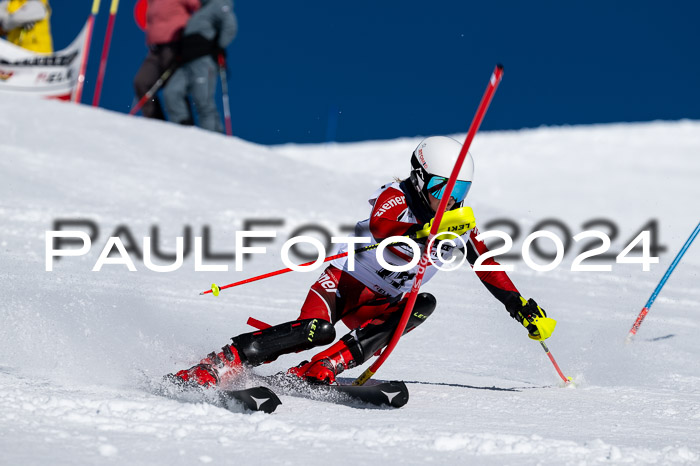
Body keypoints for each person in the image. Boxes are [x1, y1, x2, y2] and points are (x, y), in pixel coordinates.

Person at [171, 136, 556, 387]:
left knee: (422, 305)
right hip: (342, 285)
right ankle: (222, 361)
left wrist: (517, 306)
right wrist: (421, 233)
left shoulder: (457, 223)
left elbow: (487, 265)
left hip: (382, 303)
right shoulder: (398, 195)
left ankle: (323, 367)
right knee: (316, 329)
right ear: (421, 179)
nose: (449, 200)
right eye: (443, 188)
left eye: (460, 191)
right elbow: (381, 224)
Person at [162, 0, 237, 132]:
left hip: (203, 61)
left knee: (203, 100)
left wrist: (218, 47)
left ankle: (214, 138)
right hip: (186, 62)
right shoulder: (199, 11)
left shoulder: (218, 4)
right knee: (171, 92)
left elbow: (230, 26)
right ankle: (182, 129)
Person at [133, 0, 200, 120]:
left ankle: (184, 126)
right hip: (156, 50)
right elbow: (144, 14)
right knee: (142, 82)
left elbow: (201, 8)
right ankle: (155, 123)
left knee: (173, 89)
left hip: (176, 45)